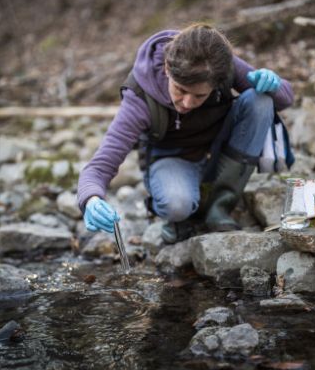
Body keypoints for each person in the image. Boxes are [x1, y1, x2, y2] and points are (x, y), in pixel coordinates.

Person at [77, 23, 294, 243]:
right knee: (178, 205)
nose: (187, 103)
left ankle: (220, 205)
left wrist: (274, 85)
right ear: (167, 69)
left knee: (261, 99)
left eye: (199, 96)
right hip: (172, 158)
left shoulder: (219, 65)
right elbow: (100, 166)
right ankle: (181, 211)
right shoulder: (139, 97)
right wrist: (91, 199)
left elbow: (285, 99)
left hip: (219, 150)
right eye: (180, 90)